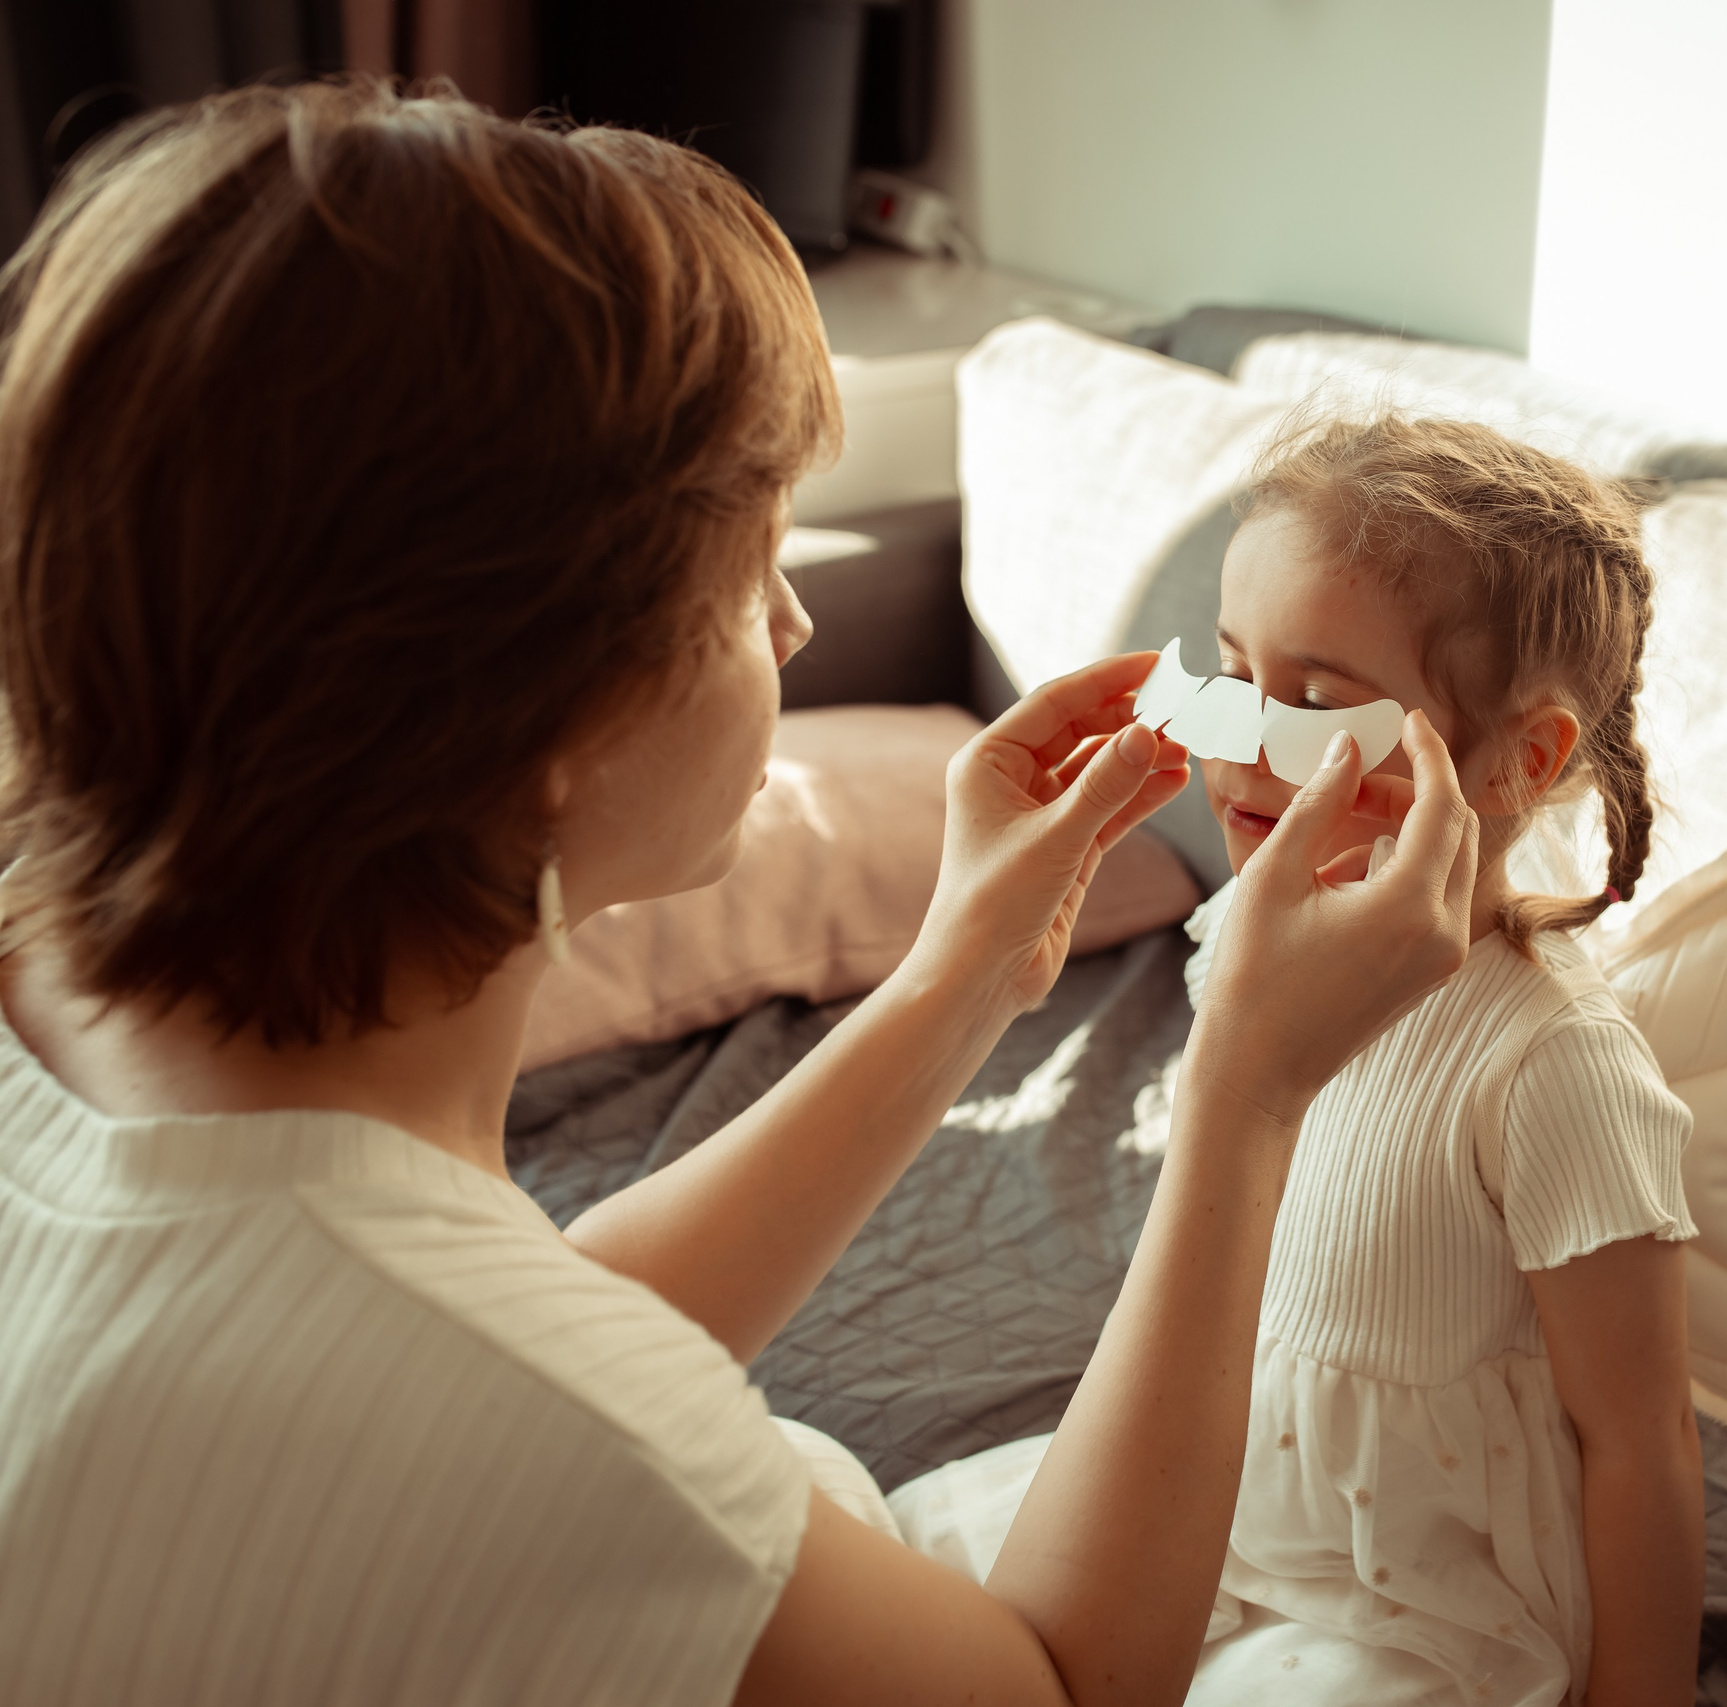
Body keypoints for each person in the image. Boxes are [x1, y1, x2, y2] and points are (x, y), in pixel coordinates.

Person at [0, 81, 1482, 1707]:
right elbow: (1056, 1688)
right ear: (549, 708)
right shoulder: (572, 1446)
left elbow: (513, 1324)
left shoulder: (54, 1003)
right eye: (754, 565)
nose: (794, 623)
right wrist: (1246, 1092)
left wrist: (960, 977)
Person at [894, 416, 1706, 1706]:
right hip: (1203, 1498)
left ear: (1522, 759)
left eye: (1317, 709)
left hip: (1398, 1602)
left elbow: (1641, 1441)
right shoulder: (1243, 940)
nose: (1234, 744)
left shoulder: (1553, 1066)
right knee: (877, 1585)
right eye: (1230, 676)